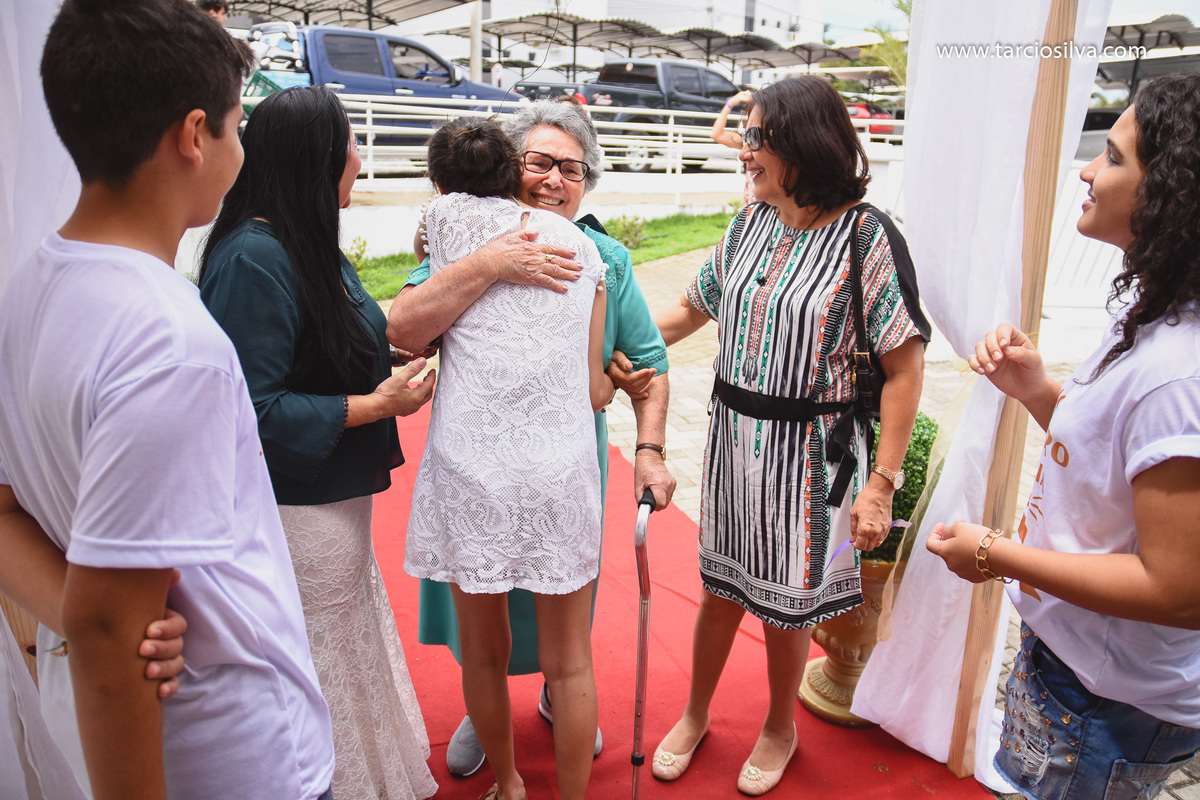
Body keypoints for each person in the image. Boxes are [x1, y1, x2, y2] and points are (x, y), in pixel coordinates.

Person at [0, 1, 335, 799]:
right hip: (223, 748)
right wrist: (100, 619)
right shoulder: (167, 342)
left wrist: (79, 609)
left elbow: (8, 511)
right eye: (234, 126)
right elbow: (118, 627)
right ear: (193, 136)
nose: (240, 146)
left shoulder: (30, 288)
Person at [650, 76, 928, 796]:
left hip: (811, 455)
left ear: (802, 142)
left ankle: (780, 725)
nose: (745, 150)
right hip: (733, 441)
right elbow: (690, 310)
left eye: (757, 135)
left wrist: (881, 485)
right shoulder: (751, 223)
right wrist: (617, 349)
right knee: (719, 587)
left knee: (784, 602)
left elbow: (904, 368)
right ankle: (695, 712)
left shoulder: (866, 235)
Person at [927, 73, 1200, 800]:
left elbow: (1178, 590)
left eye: (1112, 157)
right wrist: (1038, 392)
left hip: (1110, 699)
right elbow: (1116, 466)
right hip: (1074, 666)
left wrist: (994, 552)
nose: (1086, 170)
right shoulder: (1153, 306)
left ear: (1171, 189)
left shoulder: (1180, 373)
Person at [387, 99, 676, 777]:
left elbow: (650, 367)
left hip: (558, 459)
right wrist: (487, 264)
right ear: (508, 168)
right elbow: (404, 329)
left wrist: (648, 447)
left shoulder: (605, 254)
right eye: (539, 162)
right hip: (496, 462)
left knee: (558, 648)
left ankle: (543, 708)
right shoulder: (462, 238)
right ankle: (488, 724)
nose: (554, 180)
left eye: (571, 170)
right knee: (489, 634)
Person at [198, 86, 437, 800]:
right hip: (297, 509)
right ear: (317, 160)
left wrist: (381, 364)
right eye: (350, 145)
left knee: (344, 640)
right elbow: (253, 409)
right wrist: (375, 403)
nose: (359, 160)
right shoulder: (253, 257)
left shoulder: (299, 240)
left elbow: (324, 340)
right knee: (320, 654)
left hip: (333, 501)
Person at [404, 117, 610, 800]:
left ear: (441, 180)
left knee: (484, 656)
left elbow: (407, 330)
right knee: (571, 663)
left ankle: (512, 786)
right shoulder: (585, 248)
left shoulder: (442, 226)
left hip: (473, 466)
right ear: (513, 173)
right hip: (560, 466)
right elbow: (591, 387)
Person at [710, 89, 755, 205]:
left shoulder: (771, 139)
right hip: (750, 209)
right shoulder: (748, 139)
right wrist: (730, 103)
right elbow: (716, 134)